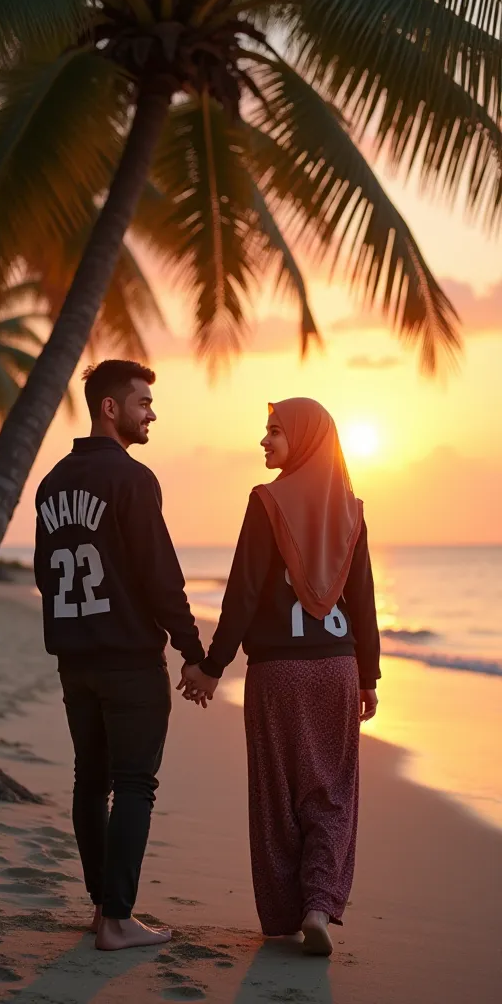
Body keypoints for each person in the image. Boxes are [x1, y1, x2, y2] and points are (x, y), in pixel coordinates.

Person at [179, 397, 381, 957]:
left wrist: (211, 666)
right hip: (337, 670)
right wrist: (369, 676)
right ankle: (319, 905)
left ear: (306, 439)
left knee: (277, 797)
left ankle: (285, 917)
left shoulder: (266, 501)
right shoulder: (353, 508)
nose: (264, 442)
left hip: (277, 674)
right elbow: (363, 601)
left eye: (274, 432)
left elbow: (242, 592)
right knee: (332, 795)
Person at [34, 359, 205, 951]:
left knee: (92, 779)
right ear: (111, 408)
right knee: (134, 784)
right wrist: (193, 651)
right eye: (143, 403)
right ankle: (117, 918)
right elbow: (160, 575)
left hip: (75, 662)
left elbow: (42, 575)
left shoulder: (52, 482)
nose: (152, 413)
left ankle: (100, 907)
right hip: (129, 662)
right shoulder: (133, 479)